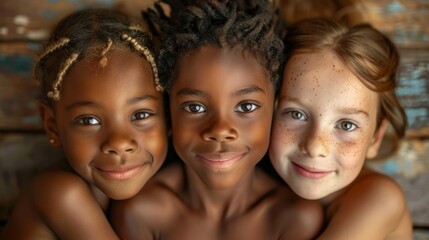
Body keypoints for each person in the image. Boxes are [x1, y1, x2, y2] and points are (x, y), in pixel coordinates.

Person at [111, 1, 323, 239]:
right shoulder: (140, 213)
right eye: (195, 107)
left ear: (274, 109)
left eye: (246, 106)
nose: (220, 130)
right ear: (168, 111)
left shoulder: (295, 218)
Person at [2, 9, 168, 239]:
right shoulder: (59, 194)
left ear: (169, 115)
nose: (119, 143)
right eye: (89, 120)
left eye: (140, 115)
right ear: (52, 125)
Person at [269, 18, 413, 239]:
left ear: (375, 138)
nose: (315, 146)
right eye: (297, 114)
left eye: (346, 125)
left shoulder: (380, 198)